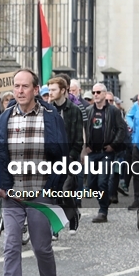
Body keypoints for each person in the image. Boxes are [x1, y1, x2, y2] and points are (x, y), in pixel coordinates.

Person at [0, 69, 65, 276]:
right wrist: (1, 183)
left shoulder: (51, 117)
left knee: (41, 247)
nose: (19, 91)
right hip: (12, 193)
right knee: (10, 246)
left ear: (35, 89)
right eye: (16, 86)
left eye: (24, 86)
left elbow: (62, 157)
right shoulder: (5, 118)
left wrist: (52, 187)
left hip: (40, 192)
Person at [83, 83, 127, 223]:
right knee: (91, 184)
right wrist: (85, 146)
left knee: (102, 181)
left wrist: (113, 145)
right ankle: (105, 199)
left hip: (106, 152)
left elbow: (121, 129)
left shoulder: (113, 111)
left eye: (98, 92)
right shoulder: (89, 110)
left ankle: (103, 211)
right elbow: (83, 129)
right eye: (93, 92)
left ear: (104, 94)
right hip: (92, 152)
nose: (95, 94)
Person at [47, 77, 83, 231]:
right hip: (51, 157)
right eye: (49, 90)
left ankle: (73, 213)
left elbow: (78, 138)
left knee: (65, 190)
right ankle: (54, 226)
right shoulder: (48, 109)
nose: (50, 93)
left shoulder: (74, 110)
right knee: (50, 192)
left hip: (68, 157)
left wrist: (72, 156)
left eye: (53, 89)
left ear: (63, 90)